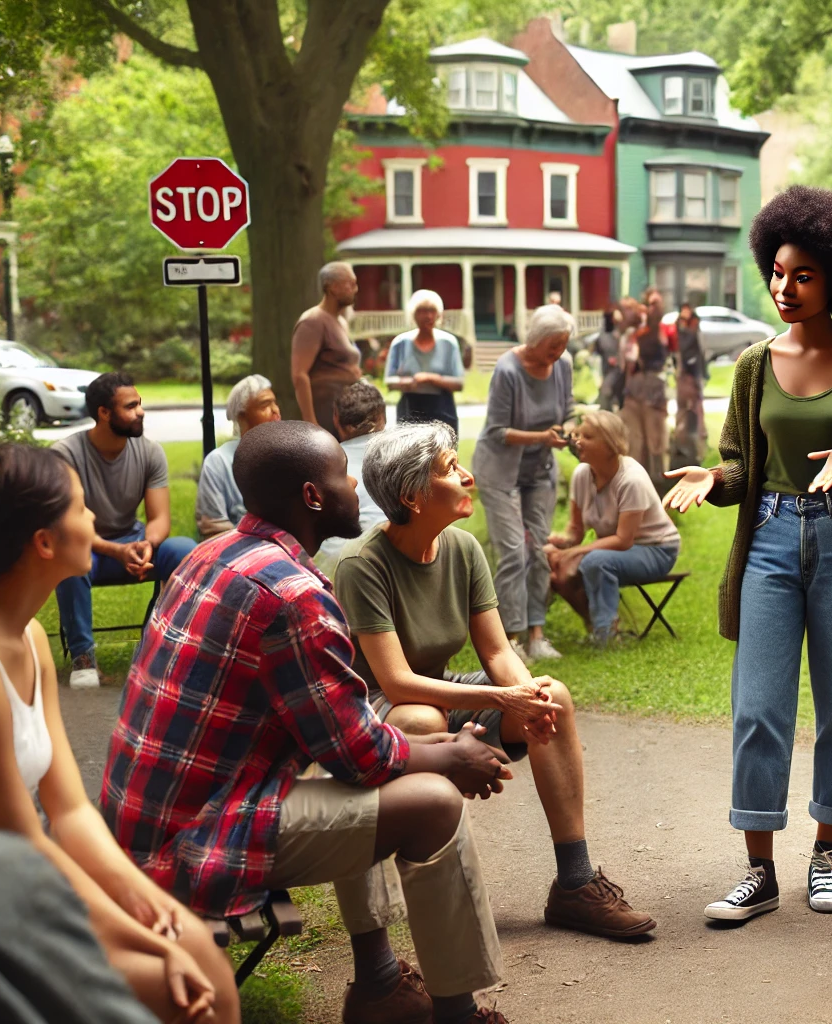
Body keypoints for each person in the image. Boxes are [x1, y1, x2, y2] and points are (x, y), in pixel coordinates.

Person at [101, 420, 519, 1024]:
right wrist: (455, 755)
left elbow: (339, 736)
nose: (358, 487)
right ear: (313, 498)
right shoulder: (293, 595)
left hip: (142, 823)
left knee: (368, 782)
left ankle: (379, 985)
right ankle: (456, 1015)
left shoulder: (211, 554)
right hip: (193, 841)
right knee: (432, 803)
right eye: (345, 477)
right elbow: (362, 755)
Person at [662, 185, 832, 922]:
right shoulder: (753, 364)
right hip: (769, 542)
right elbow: (742, 465)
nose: (784, 288)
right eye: (777, 273)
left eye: (802, 275)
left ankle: (826, 854)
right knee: (758, 710)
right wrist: (716, 479)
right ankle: (759, 870)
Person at [0, 443, 238, 1024]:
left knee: (200, 952)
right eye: (79, 506)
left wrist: (140, 897)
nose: (93, 516)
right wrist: (145, 940)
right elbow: (21, 840)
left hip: (16, 876)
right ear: (44, 543)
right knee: (179, 990)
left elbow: (68, 810)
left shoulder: (29, 637)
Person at [335, 422, 655, 939]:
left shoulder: (462, 549)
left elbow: (498, 651)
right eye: (450, 469)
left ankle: (575, 884)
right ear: (412, 496)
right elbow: (395, 682)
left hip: (437, 689)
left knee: (552, 695)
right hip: (378, 707)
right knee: (422, 718)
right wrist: (502, 697)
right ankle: (438, 897)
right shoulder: (362, 566)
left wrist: (528, 699)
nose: (467, 476)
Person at [0, 806, 166, 1024]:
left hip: (42, 872)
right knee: (164, 985)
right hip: (11, 889)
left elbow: (72, 808)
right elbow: (22, 834)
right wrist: (156, 943)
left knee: (180, 960)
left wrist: (144, 895)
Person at [52, 373, 198, 689]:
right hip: (88, 549)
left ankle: (156, 649)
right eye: (131, 406)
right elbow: (69, 524)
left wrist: (148, 544)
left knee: (185, 550)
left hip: (134, 544)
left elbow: (159, 518)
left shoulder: (150, 452)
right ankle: (83, 658)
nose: (141, 412)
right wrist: (115, 550)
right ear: (104, 412)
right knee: (67, 556)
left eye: (139, 404)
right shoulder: (65, 455)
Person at [473, 304, 575, 664]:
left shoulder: (563, 365)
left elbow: (568, 410)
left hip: (539, 472)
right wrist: (542, 437)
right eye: (553, 346)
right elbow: (497, 431)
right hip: (499, 470)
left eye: (563, 345)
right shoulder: (507, 370)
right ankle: (510, 639)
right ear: (534, 340)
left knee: (539, 552)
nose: (559, 353)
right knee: (514, 552)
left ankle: (537, 636)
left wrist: (569, 430)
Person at [546, 410, 683, 645]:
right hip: (613, 550)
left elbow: (623, 540)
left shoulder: (631, 479)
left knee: (595, 562)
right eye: (578, 435)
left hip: (657, 550)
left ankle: (606, 635)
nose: (578, 441)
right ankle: (595, 625)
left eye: (588, 437)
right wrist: (558, 543)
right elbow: (575, 531)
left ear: (610, 445)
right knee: (551, 562)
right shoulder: (581, 475)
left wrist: (573, 553)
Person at [196, 374, 283, 538]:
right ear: (242, 416)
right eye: (265, 405)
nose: (275, 410)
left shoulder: (289, 458)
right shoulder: (219, 462)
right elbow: (212, 527)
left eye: (275, 403)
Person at [315, 380, 391, 569]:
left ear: (336, 418)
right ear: (383, 416)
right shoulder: (403, 458)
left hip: (336, 565)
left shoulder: (321, 464)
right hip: (395, 560)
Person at [291, 261, 363, 439]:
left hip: (346, 414)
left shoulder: (341, 321)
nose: (355, 289)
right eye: (350, 283)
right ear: (332, 287)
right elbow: (299, 374)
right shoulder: (312, 321)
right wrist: (311, 422)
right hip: (324, 415)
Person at [385, 289, 465, 433]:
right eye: (422, 311)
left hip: (443, 410)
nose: (428, 316)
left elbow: (459, 383)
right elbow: (389, 380)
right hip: (409, 409)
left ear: (438, 314)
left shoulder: (449, 342)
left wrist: (431, 378)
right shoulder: (401, 343)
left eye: (432, 311)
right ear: (413, 314)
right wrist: (411, 382)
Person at [622, 290, 671, 483]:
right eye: (648, 304)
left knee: (656, 439)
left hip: (653, 391)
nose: (649, 309)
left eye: (654, 305)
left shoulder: (660, 330)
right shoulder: (633, 333)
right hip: (634, 392)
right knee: (636, 441)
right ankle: (638, 481)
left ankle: (660, 480)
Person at [672, 302, 709, 467]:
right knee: (685, 409)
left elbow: (697, 351)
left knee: (696, 407)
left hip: (693, 374)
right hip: (686, 374)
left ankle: (698, 440)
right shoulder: (681, 330)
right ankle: (682, 440)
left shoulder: (692, 329)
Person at [594, 301, 629, 412]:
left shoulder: (623, 330)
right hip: (610, 367)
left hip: (621, 369)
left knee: (617, 395)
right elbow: (601, 346)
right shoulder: (606, 332)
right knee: (607, 392)